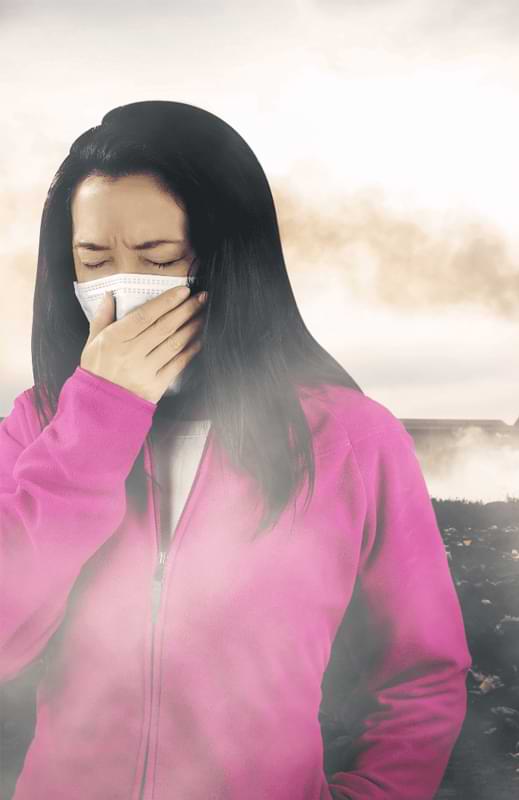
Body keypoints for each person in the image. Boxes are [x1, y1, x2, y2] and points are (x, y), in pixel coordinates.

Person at [0, 101, 472, 800]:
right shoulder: (37, 425)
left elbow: (420, 677)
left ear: (230, 259)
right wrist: (97, 418)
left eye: (159, 258)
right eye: (93, 259)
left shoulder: (352, 439)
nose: (122, 287)